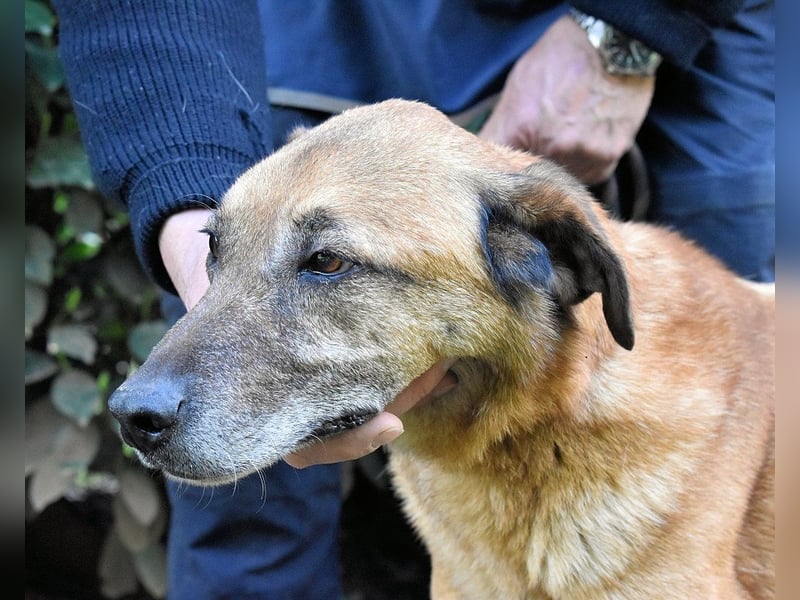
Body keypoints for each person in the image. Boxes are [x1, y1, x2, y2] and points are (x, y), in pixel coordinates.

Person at [54, 1, 774, 598]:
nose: (145, 393)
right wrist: (192, 218)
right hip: (323, 29)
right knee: (249, 527)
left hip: (688, 32)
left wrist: (624, 31)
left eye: (325, 262)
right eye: (222, 246)